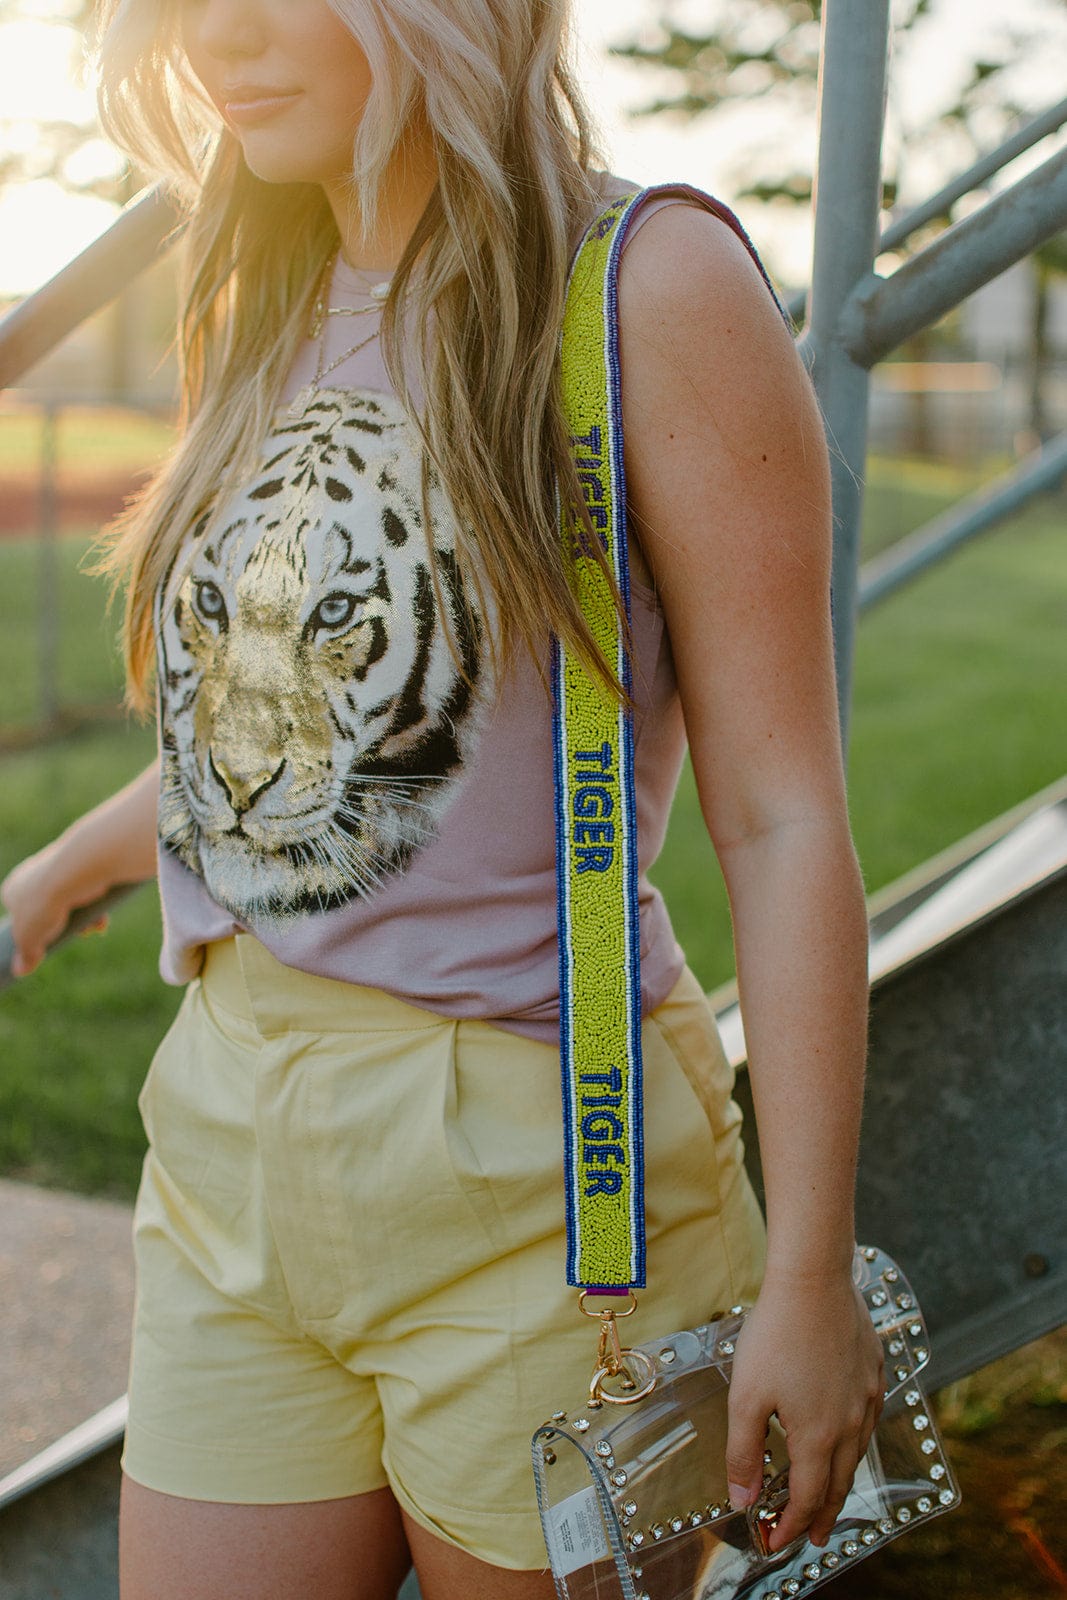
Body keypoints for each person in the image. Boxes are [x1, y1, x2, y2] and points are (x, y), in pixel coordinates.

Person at [0, 0, 886, 1593]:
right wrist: (63, 866)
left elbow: (784, 817)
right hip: (227, 1124)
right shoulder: (258, 281)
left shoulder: (651, 287)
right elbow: (295, 736)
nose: (215, 41)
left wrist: (809, 1274)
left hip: (544, 1167)